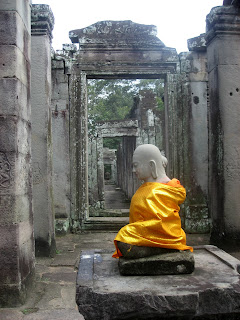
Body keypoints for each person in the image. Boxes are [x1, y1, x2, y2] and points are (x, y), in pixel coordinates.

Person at [113, 144, 193, 259]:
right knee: (125, 237)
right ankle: (159, 248)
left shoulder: (161, 190)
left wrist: (137, 230)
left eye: (136, 165)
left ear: (151, 165)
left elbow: (161, 222)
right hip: (149, 231)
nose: (133, 170)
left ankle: (162, 247)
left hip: (164, 233)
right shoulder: (151, 187)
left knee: (125, 237)